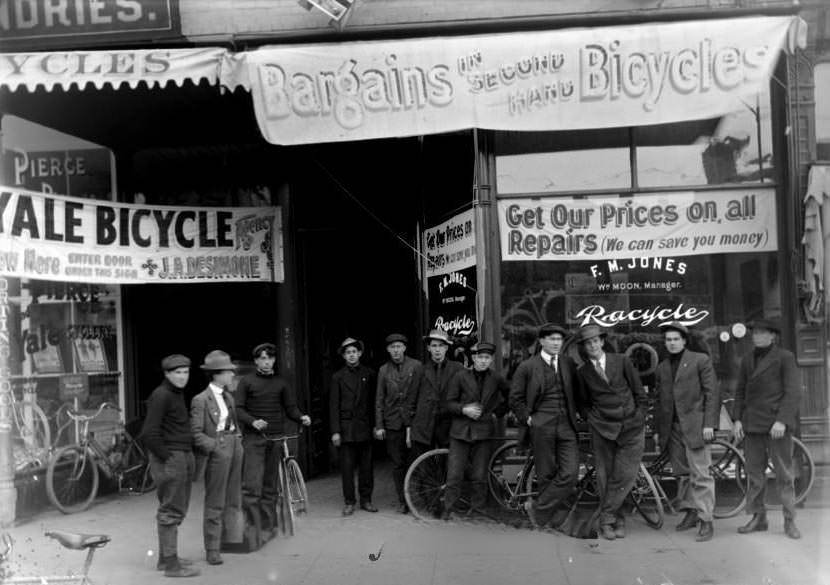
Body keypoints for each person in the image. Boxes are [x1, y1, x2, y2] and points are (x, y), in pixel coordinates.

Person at [575, 325, 647, 541]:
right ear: (585, 348)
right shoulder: (584, 372)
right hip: (603, 429)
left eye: (595, 341)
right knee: (605, 476)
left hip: (631, 426)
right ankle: (617, 520)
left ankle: (607, 518)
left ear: (602, 342)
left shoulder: (621, 361)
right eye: (588, 343)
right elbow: (583, 403)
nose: (593, 346)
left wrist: (639, 415)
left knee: (625, 474)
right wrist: (592, 419)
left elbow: (638, 392)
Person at [733, 319, 802, 539]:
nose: (757, 336)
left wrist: (782, 420)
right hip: (752, 425)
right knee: (754, 475)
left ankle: (789, 521)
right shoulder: (746, 359)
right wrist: (737, 420)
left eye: (762, 333)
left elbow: (793, 392)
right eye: (754, 333)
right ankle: (758, 517)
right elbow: (740, 391)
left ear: (773, 336)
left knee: (784, 475)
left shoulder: (785, 357)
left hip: (776, 426)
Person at [236, 343, 311, 539]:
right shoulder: (246, 382)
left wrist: (301, 417)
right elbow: (238, 409)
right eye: (262, 358)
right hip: (254, 439)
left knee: (270, 486)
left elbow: (290, 408)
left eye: (269, 358)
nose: (266, 362)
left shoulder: (281, 383)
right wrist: (253, 421)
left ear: (274, 360)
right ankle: (251, 528)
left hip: (276, 438)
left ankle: (268, 527)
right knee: (252, 486)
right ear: (255, 361)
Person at [509, 323, 581, 528]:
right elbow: (515, 398)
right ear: (541, 341)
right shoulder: (528, 366)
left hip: (566, 425)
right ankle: (548, 520)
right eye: (552, 339)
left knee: (570, 473)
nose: (556, 343)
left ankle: (537, 509)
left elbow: (577, 392)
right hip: (541, 425)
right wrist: (529, 419)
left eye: (559, 339)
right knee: (546, 474)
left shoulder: (568, 363)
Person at [653, 322, 718, 542]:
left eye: (675, 339)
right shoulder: (662, 367)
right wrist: (657, 430)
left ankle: (706, 520)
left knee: (701, 474)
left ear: (684, 340)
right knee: (682, 475)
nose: (671, 343)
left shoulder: (700, 361)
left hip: (696, 427)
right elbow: (659, 400)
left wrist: (709, 424)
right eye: (668, 340)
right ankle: (691, 512)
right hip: (672, 429)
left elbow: (712, 394)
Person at [140, 354, 200, 578]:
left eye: (186, 372)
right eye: (177, 373)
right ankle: (172, 565)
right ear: (166, 373)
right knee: (170, 510)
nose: (183, 377)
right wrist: (169, 457)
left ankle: (166, 558)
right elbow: (149, 434)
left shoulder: (175, 393)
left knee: (176, 508)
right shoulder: (162, 395)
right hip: (172, 457)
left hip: (180, 455)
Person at [443, 342, 509, 519]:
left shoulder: (496, 378)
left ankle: (478, 511)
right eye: (480, 357)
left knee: (479, 475)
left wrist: (497, 413)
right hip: (460, 431)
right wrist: (464, 409)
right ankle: (449, 511)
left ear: (492, 360)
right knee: (454, 474)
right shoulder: (460, 376)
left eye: (487, 358)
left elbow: (510, 396)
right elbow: (448, 403)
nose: (483, 361)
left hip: (484, 431)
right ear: (473, 358)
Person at [190, 350, 244, 565]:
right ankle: (212, 548)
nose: (232, 375)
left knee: (233, 497)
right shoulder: (200, 400)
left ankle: (229, 540)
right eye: (229, 372)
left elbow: (233, 422)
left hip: (234, 445)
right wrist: (215, 447)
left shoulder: (228, 396)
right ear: (217, 374)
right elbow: (195, 434)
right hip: (218, 449)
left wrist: (238, 440)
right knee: (215, 501)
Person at [330, 337, 377, 515]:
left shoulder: (369, 374)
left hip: (364, 426)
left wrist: (375, 425)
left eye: (354, 352)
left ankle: (366, 500)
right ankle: (349, 501)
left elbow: (374, 402)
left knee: (367, 467)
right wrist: (335, 431)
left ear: (360, 353)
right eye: (348, 352)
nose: (351, 355)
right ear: (344, 356)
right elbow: (333, 406)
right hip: (346, 428)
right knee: (347, 468)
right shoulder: (337, 377)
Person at [374, 333, 420, 513]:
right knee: (397, 464)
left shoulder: (416, 366)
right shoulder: (383, 370)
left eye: (399, 346)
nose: (396, 350)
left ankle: (417, 496)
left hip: (413, 422)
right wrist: (379, 426)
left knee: (415, 461)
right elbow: (379, 399)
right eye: (392, 347)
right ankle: (403, 501)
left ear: (405, 348)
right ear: (387, 349)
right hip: (392, 423)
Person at [406, 329, 464, 459]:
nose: (437, 349)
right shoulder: (420, 370)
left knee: (449, 463)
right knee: (425, 465)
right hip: (424, 425)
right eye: (434, 345)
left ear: (447, 348)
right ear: (428, 348)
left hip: (449, 424)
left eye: (441, 346)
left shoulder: (457, 369)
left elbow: (465, 395)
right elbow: (411, 399)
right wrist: (409, 428)